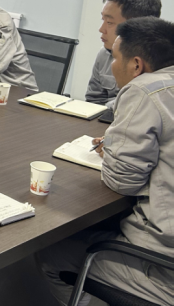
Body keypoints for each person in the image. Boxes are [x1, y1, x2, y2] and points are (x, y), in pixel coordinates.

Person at [38, 17, 174, 306]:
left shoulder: (143, 89)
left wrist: (112, 147)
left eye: (114, 58)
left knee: (52, 254)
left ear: (136, 65)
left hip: (163, 265)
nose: (111, 65)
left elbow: (122, 181)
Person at [85, 0, 161, 108]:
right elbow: (93, 102)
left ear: (136, 26)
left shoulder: (162, 64)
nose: (101, 29)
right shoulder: (105, 55)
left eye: (109, 22)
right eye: (103, 20)